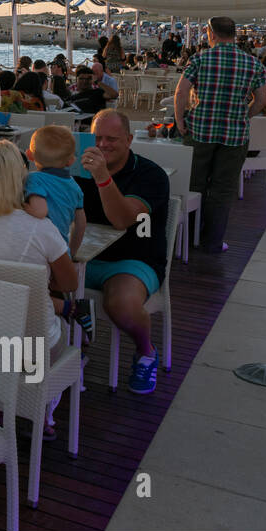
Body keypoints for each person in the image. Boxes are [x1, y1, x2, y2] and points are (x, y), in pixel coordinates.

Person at [0, 141, 79, 439]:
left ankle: (2, 399)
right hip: (31, 348)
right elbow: (70, 283)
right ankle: (39, 407)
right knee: (60, 329)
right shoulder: (40, 228)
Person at [76, 111, 171, 394]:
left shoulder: (150, 175)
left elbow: (122, 219)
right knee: (35, 284)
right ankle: (69, 348)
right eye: (97, 138)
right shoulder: (77, 170)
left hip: (134, 258)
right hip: (82, 255)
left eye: (112, 139)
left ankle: (146, 353)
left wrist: (102, 177)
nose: (103, 145)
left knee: (122, 304)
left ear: (129, 140)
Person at [174, 16, 266, 254]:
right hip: (234, 135)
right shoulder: (252, 63)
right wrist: (244, 116)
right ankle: (212, 242)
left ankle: (188, 237)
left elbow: (181, 92)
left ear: (211, 33)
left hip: (199, 131)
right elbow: (262, 100)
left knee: (194, 184)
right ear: (234, 34)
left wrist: (180, 122)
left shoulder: (199, 58)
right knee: (222, 189)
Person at [23, 126, 91, 338]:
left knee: (32, 293)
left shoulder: (35, 180)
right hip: (60, 251)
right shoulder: (74, 186)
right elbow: (81, 222)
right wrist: (71, 251)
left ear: (30, 155)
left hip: (41, 251)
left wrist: (21, 206)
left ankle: (57, 327)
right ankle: (75, 330)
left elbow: (40, 211)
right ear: (71, 161)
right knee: (53, 292)